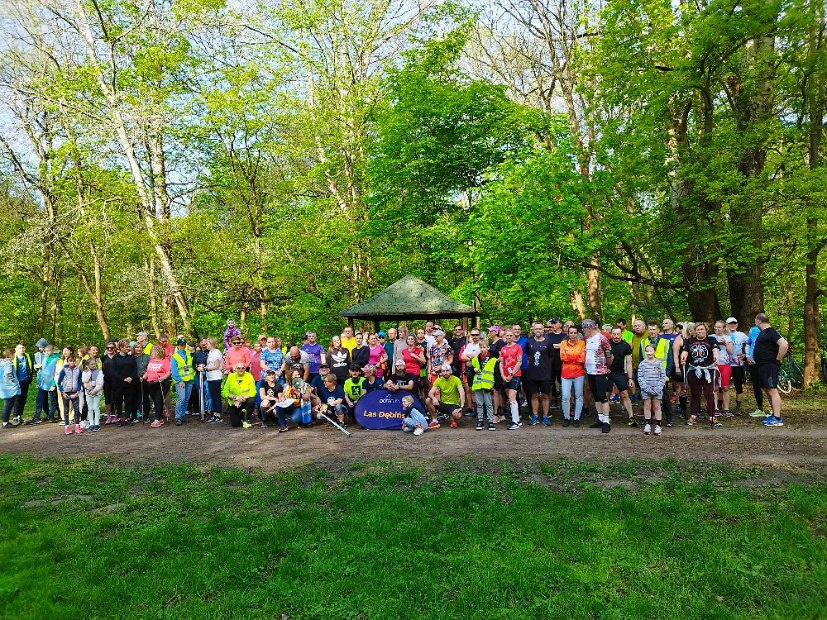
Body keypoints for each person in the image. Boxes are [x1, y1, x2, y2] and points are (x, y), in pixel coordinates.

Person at [752, 313, 788, 427]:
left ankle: (777, 418)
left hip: (769, 366)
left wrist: (778, 359)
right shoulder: (764, 332)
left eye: (755, 321)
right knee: (767, 389)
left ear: (758, 321)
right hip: (762, 366)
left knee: (772, 390)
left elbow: (784, 344)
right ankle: (773, 414)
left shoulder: (770, 331)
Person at [680, 322, 720, 427]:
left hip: (708, 370)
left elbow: (715, 350)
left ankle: (712, 416)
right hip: (694, 370)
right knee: (695, 393)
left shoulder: (711, 340)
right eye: (698, 329)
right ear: (695, 331)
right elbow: (685, 351)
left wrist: (716, 357)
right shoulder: (690, 341)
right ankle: (693, 415)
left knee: (709, 393)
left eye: (702, 329)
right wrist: (683, 358)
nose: (700, 331)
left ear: (706, 330)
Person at [639, 321, 675, 427]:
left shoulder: (665, 342)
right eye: (650, 329)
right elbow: (641, 359)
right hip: (647, 375)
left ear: (658, 330)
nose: (652, 332)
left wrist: (667, 374)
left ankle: (668, 419)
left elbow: (670, 359)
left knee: (664, 398)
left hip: (661, 376)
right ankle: (649, 419)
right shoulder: (643, 342)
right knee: (647, 399)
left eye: (654, 329)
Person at [583, 320, 614, 433]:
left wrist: (606, 367)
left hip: (600, 372)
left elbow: (610, 355)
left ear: (589, 328)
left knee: (602, 396)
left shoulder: (602, 338)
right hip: (590, 372)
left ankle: (606, 421)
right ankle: (600, 418)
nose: (583, 330)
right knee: (596, 396)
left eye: (584, 328)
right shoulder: (588, 339)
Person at [524, 322, 553, 426]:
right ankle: (535, 416)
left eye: (540, 329)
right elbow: (527, 355)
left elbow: (551, 357)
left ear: (543, 330)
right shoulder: (529, 342)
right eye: (536, 329)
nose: (538, 330)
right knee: (534, 395)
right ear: (533, 330)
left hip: (545, 373)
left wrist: (546, 366)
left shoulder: (548, 343)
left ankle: (545, 416)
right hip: (533, 372)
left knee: (545, 395)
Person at [608, 327, 636, 426]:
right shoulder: (607, 344)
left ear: (621, 334)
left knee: (624, 393)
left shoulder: (625, 346)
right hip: (607, 372)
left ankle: (631, 416)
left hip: (619, 373)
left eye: (618, 334)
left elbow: (629, 362)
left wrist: (630, 378)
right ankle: (606, 415)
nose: (616, 336)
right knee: (606, 394)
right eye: (614, 334)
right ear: (611, 334)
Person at [559, 325, 586, 427]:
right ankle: (566, 417)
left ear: (577, 334)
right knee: (565, 396)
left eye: (575, 333)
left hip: (579, 373)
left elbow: (582, 359)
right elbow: (562, 357)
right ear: (568, 334)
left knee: (579, 396)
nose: (573, 335)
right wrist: (575, 357)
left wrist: (570, 357)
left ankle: (576, 418)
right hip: (566, 373)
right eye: (571, 333)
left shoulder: (582, 343)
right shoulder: (563, 343)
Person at [637, 345, 667, 435]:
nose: (649, 353)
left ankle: (658, 425)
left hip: (657, 389)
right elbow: (640, 377)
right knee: (647, 406)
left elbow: (663, 376)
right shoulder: (642, 364)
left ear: (654, 351)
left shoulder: (659, 363)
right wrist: (646, 388)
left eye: (651, 351)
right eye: (647, 351)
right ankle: (647, 424)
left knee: (657, 406)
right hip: (646, 390)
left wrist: (658, 388)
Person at [109, 339, 138, 425]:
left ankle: (127, 417)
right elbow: (113, 371)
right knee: (118, 401)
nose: (128, 348)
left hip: (129, 383)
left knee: (128, 401)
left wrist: (131, 377)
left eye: (129, 346)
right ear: (121, 348)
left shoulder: (131, 357)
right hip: (118, 384)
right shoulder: (115, 358)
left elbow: (135, 369)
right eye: (126, 347)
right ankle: (119, 418)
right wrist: (123, 378)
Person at [499, 328, 523, 430]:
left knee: (512, 396)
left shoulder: (518, 347)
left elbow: (519, 362)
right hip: (505, 376)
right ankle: (516, 419)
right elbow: (501, 362)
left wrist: (512, 374)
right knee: (509, 397)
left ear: (513, 336)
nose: (509, 337)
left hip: (515, 375)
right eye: (507, 336)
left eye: (510, 335)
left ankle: (515, 422)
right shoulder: (503, 348)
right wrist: (502, 375)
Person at [470, 340, 497, 431]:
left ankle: (490, 421)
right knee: (479, 404)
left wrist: (494, 384)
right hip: (477, 384)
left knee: (489, 404)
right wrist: (473, 369)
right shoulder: (475, 359)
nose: (482, 349)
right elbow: (470, 370)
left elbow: (495, 372)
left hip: (487, 384)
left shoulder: (493, 359)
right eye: (481, 347)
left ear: (488, 348)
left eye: (484, 347)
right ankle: (480, 420)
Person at [725, 317, 749, 414]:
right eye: (730, 323)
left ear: (737, 324)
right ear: (726, 325)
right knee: (723, 386)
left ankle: (737, 408)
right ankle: (721, 406)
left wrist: (746, 354)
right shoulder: (723, 334)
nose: (733, 325)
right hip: (725, 363)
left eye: (734, 323)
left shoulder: (741, 335)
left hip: (737, 364)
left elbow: (751, 343)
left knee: (738, 385)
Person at [222, 363, 257, 428]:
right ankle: (242, 415)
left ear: (245, 369)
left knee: (252, 400)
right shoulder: (231, 377)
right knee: (235, 424)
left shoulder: (249, 376)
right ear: (235, 369)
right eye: (238, 368)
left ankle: (247, 419)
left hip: (245, 401)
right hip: (234, 402)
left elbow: (253, 392)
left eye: (243, 368)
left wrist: (243, 398)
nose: (241, 370)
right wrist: (235, 398)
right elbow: (224, 393)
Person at [144, 344, 172, 428]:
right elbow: (148, 371)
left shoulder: (165, 361)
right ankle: (160, 417)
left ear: (158, 352)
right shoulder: (151, 361)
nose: (151, 353)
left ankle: (157, 419)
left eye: (152, 352)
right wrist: (144, 376)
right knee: (155, 400)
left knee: (158, 400)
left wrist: (163, 378)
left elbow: (169, 371)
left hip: (160, 383)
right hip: (150, 383)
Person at [31, 344, 59, 424]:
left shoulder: (57, 360)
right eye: (45, 351)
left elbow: (56, 373)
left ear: (52, 351)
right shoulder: (45, 359)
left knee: (53, 400)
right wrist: (38, 382)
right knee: (39, 400)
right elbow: (41, 372)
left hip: (51, 382)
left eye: (48, 351)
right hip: (43, 383)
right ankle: (37, 416)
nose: (46, 352)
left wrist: (53, 384)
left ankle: (51, 416)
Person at [713, 320, 735, 418]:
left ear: (724, 328)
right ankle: (715, 408)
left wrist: (725, 344)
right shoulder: (711, 337)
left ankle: (726, 409)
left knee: (725, 387)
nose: (716, 329)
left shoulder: (728, 338)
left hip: (725, 365)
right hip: (714, 365)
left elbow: (731, 352)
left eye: (719, 327)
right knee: (714, 388)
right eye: (715, 327)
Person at [170, 337, 194, 426]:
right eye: (181, 345)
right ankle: (178, 417)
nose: (183, 346)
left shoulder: (188, 354)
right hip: (180, 381)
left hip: (189, 379)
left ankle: (182, 415)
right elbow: (174, 370)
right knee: (181, 398)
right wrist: (179, 380)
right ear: (178, 346)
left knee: (186, 399)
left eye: (184, 344)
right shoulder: (174, 356)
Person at [57, 355, 83, 434]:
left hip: (75, 392)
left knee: (76, 409)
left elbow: (79, 381)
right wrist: (63, 392)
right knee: (66, 410)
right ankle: (67, 427)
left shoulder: (78, 370)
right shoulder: (64, 370)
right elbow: (59, 383)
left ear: (76, 361)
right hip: (66, 392)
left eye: (73, 361)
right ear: (67, 362)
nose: (72, 363)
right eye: (70, 361)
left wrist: (78, 391)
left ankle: (77, 426)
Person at [745, 322, 765, 417]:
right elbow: (748, 343)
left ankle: (774, 410)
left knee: (768, 387)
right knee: (756, 385)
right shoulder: (752, 330)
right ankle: (760, 408)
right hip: (753, 362)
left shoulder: (768, 331)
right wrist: (748, 356)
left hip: (764, 363)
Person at [545, 319, 566, 408]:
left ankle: (564, 400)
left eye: (555, 323)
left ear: (560, 324)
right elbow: (546, 345)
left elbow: (564, 345)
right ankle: (553, 400)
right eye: (552, 324)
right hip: (550, 363)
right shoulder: (548, 335)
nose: (553, 325)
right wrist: (559, 345)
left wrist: (556, 345)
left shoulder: (565, 335)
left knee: (563, 382)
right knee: (551, 382)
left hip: (562, 363)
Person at [11, 343, 33, 426]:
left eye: (23, 348)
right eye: (20, 348)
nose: (22, 349)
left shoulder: (28, 356)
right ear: (16, 349)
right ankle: (15, 416)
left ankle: (20, 416)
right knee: (17, 399)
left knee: (23, 398)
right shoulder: (13, 358)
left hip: (26, 381)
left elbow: (31, 367)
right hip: (16, 382)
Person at [81, 357, 105, 432]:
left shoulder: (99, 372)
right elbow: (85, 381)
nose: (94, 365)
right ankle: (91, 424)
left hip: (97, 392)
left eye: (95, 364)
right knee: (90, 408)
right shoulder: (85, 372)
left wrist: (95, 391)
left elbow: (100, 383)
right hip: (88, 393)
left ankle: (97, 423)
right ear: (87, 365)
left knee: (96, 407)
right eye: (92, 364)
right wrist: (89, 372)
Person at [205, 338, 224, 423]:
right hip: (210, 377)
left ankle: (218, 414)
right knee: (212, 396)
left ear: (212, 344)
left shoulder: (216, 352)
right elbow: (209, 364)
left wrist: (207, 368)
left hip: (216, 377)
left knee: (216, 396)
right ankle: (215, 413)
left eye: (207, 343)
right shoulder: (210, 352)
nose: (206, 345)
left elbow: (216, 366)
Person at [0, 349, 21, 429]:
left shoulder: (2, 363)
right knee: (8, 405)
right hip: (10, 388)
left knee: (7, 405)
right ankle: (5, 423)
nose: (14, 355)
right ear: (10, 355)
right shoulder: (8, 363)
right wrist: (13, 381)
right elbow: (8, 373)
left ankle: (5, 421)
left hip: (4, 388)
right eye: (13, 354)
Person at [132, 342, 151, 422]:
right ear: (134, 348)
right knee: (135, 398)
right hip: (135, 380)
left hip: (145, 379)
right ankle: (134, 416)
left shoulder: (147, 357)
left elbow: (150, 367)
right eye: (137, 347)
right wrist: (137, 376)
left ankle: (146, 416)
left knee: (145, 398)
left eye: (140, 347)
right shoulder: (131, 357)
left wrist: (145, 375)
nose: (139, 349)